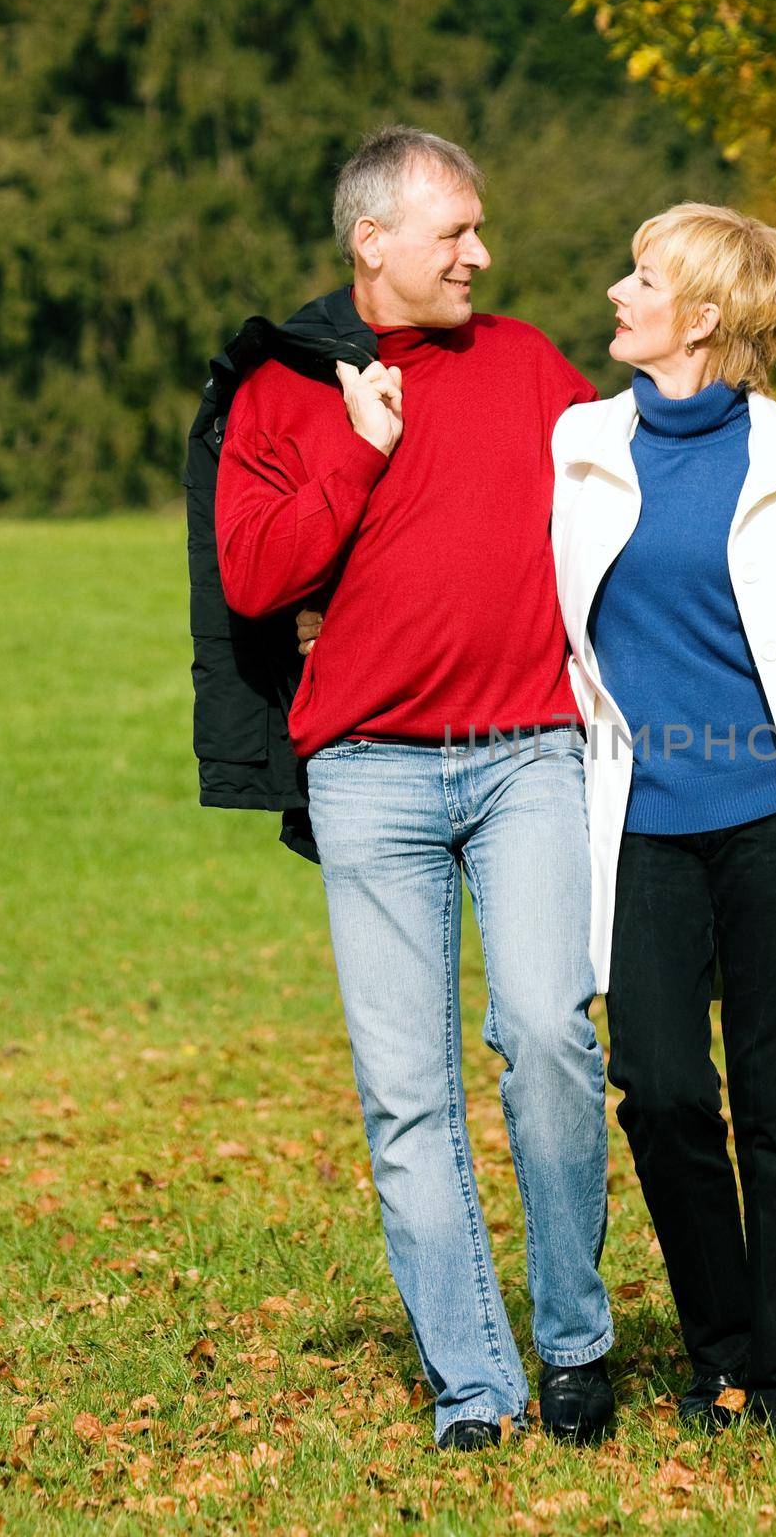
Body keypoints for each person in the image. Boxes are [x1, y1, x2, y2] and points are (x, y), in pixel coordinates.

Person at [212, 125, 617, 1451]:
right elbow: (257, 579)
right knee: (407, 1097)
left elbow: (628, 493)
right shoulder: (285, 391)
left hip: (527, 755)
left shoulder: (525, 363)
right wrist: (358, 447)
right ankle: (474, 1386)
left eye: (479, 229)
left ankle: (573, 1339)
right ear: (370, 241)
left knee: (552, 1036)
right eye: (456, 234)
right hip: (371, 778)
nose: (482, 255)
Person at [549, 204, 776, 1435]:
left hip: (770, 812)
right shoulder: (581, 447)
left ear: (700, 318)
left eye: (641, 277)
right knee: (655, 1086)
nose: (616, 290)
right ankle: (720, 1345)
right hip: (639, 820)